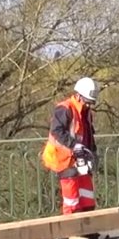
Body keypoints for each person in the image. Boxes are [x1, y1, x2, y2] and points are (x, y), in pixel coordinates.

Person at [41, 77, 100, 221]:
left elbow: (88, 134)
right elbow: (57, 131)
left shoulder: (86, 112)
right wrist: (74, 145)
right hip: (64, 159)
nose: (89, 104)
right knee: (72, 201)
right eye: (87, 101)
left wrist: (92, 153)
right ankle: (71, 229)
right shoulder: (65, 108)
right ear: (78, 96)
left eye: (91, 102)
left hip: (79, 159)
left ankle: (88, 229)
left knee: (87, 199)